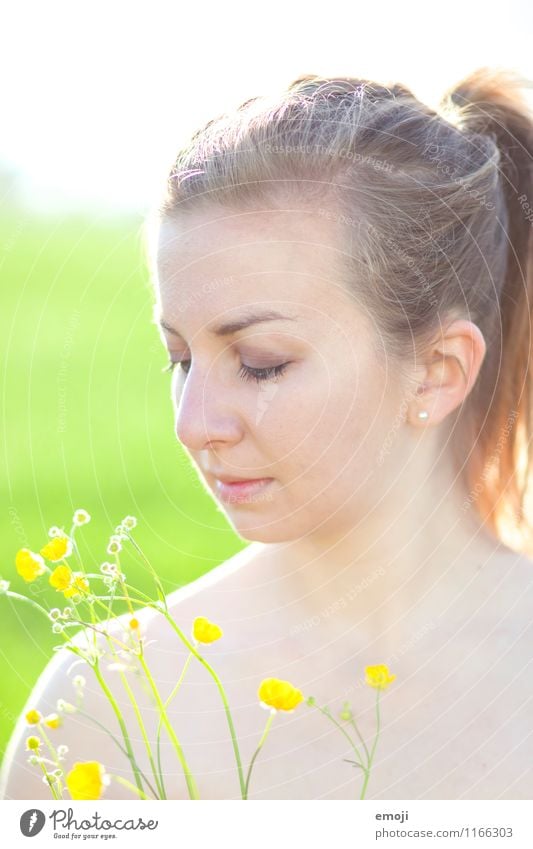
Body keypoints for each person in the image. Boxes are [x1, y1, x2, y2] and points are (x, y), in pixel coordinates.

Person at [2, 67, 533, 801]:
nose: (193, 426)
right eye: (179, 359)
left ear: (438, 370)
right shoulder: (105, 711)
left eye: (260, 364)